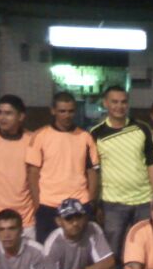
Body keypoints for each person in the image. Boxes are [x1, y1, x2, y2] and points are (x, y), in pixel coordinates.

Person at [91, 86, 153, 259]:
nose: (119, 106)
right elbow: (93, 172)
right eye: (114, 102)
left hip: (143, 200)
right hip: (112, 203)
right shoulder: (95, 134)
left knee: (144, 250)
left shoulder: (142, 129)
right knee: (112, 253)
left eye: (123, 102)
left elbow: (152, 163)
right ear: (105, 103)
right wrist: (96, 202)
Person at [27, 92, 100, 245]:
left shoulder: (85, 137)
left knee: (81, 251)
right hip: (49, 205)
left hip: (79, 203)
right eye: (62, 111)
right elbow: (33, 174)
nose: (67, 115)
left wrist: (91, 201)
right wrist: (37, 204)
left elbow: (92, 171)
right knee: (46, 251)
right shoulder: (40, 136)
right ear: (53, 111)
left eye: (70, 111)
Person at [0, 95, 35, 239]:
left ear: (21, 116)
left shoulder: (33, 141)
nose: (2, 118)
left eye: (8, 113)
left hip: (26, 220)